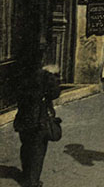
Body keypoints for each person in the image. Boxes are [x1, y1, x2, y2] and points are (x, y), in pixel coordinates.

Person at [14, 59, 60, 187]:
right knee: (38, 151)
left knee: (26, 147)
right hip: (40, 119)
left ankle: (26, 175)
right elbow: (55, 93)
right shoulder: (47, 77)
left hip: (24, 118)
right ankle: (32, 182)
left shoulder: (22, 75)